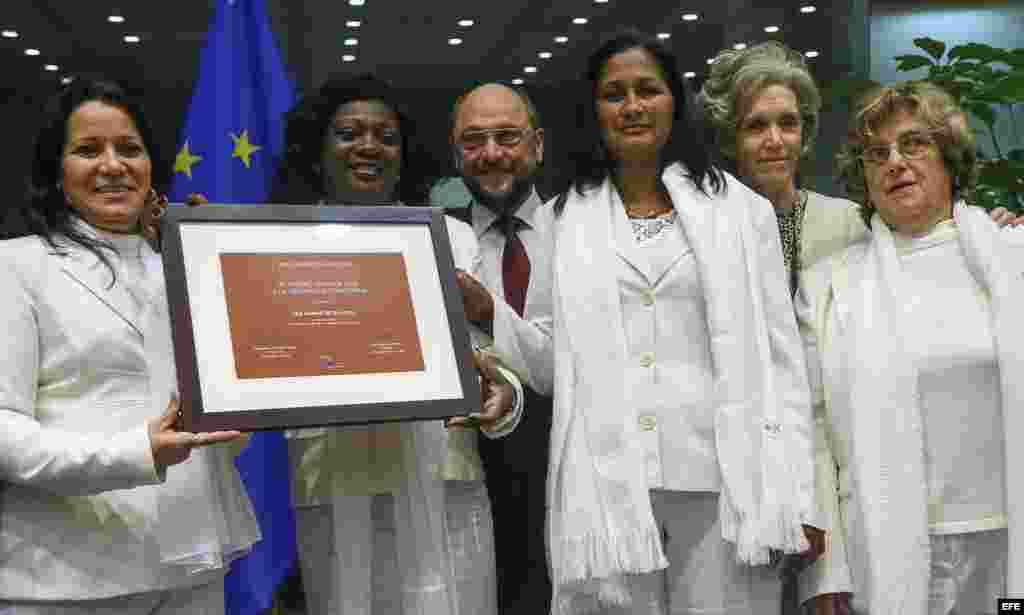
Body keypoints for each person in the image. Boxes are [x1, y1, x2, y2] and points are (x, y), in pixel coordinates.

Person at [545, 31, 823, 615]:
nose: (633, 106)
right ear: (592, 110)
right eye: (614, 94)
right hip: (611, 486)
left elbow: (784, 362)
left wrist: (799, 496)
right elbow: (549, 353)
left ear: (676, 100)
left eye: (648, 89)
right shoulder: (561, 217)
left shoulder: (742, 212)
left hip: (724, 483)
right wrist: (484, 316)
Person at [0, 77, 260, 613]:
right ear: (56, 170)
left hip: (195, 557)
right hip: (66, 572)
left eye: (130, 149)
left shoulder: (187, 265)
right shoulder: (14, 265)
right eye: (87, 150)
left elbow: (214, 410)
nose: (114, 165)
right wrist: (135, 453)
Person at [272, 73, 522, 615]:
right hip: (336, 479)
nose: (368, 146)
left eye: (385, 136)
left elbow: (496, 364)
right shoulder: (279, 243)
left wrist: (502, 392)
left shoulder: (451, 237)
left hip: (443, 476)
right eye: (348, 133)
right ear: (318, 148)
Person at [796, 80, 1024, 615]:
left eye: (914, 144)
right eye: (877, 154)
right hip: (884, 549)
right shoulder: (828, 286)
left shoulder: (1012, 259)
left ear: (949, 158)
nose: (895, 162)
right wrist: (826, 573)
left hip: (1005, 543)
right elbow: (813, 437)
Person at [449, 82, 555, 615]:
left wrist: (487, 310)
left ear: (537, 145)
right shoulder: (438, 239)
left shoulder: (582, 228)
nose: (491, 153)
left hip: (571, 470)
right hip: (476, 480)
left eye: (507, 137)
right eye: (474, 141)